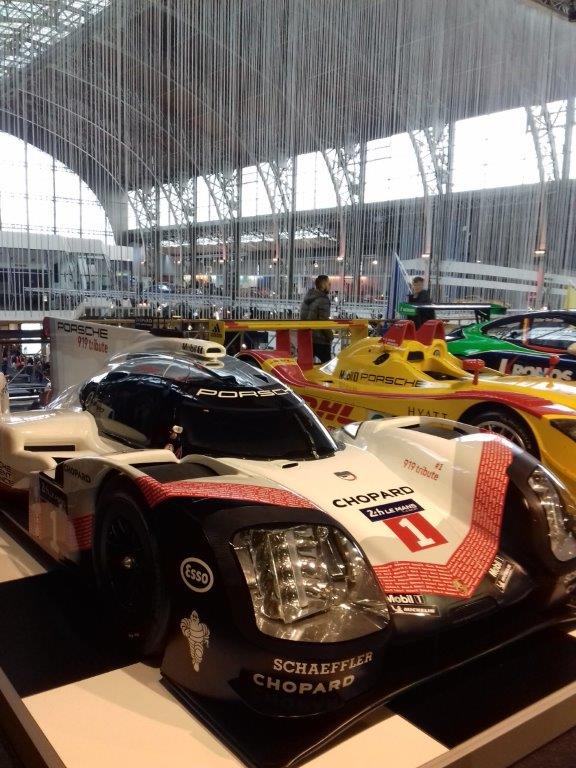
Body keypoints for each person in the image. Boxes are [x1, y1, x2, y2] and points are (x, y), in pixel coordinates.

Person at [299, 275, 333, 363]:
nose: (330, 285)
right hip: (320, 339)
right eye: (329, 283)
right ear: (324, 285)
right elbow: (324, 321)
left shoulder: (307, 297)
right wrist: (330, 336)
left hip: (306, 337)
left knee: (304, 365)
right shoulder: (323, 300)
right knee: (327, 366)